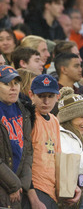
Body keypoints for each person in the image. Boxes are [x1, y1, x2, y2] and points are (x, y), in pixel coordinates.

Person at [27, 74, 81, 208]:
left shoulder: (54, 120)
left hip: (52, 192)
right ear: (31, 95)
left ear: (57, 97)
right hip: (35, 189)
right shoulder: (29, 119)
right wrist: (33, 197)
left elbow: (58, 158)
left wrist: (70, 184)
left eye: (50, 96)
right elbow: (24, 162)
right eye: (41, 96)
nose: (46, 101)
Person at [0, 65, 33, 208]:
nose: (13, 88)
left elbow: (27, 149)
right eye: (6, 84)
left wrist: (22, 184)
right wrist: (13, 185)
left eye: (16, 83)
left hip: (18, 189)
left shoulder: (24, 110)